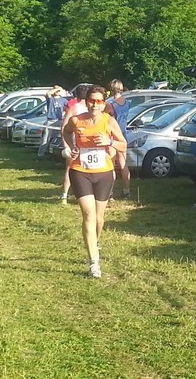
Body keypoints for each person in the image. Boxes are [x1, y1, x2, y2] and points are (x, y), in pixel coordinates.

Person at [62, 85, 127, 278]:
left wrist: (109, 142)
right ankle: (93, 263)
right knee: (88, 215)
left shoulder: (109, 121)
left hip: (104, 173)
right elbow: (65, 132)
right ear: (86, 101)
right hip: (80, 171)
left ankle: (94, 244)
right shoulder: (76, 120)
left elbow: (124, 144)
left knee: (99, 218)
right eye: (92, 100)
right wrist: (71, 147)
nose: (95, 105)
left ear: (103, 103)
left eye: (99, 101)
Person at [60, 84, 89, 204]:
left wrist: (66, 144)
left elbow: (64, 126)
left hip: (76, 144)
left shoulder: (74, 107)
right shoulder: (93, 108)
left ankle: (64, 195)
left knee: (69, 169)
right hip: (86, 143)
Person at [105, 79, 131, 199]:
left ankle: (109, 192)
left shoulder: (110, 104)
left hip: (112, 136)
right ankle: (126, 190)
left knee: (110, 164)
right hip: (123, 135)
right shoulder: (127, 102)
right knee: (123, 164)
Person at [38, 86, 68, 158]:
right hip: (50, 121)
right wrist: (56, 89)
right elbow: (47, 94)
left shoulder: (63, 100)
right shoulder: (50, 99)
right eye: (55, 90)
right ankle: (41, 155)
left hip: (60, 120)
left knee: (61, 137)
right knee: (46, 138)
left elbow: (69, 106)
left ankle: (60, 154)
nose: (57, 92)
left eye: (58, 90)